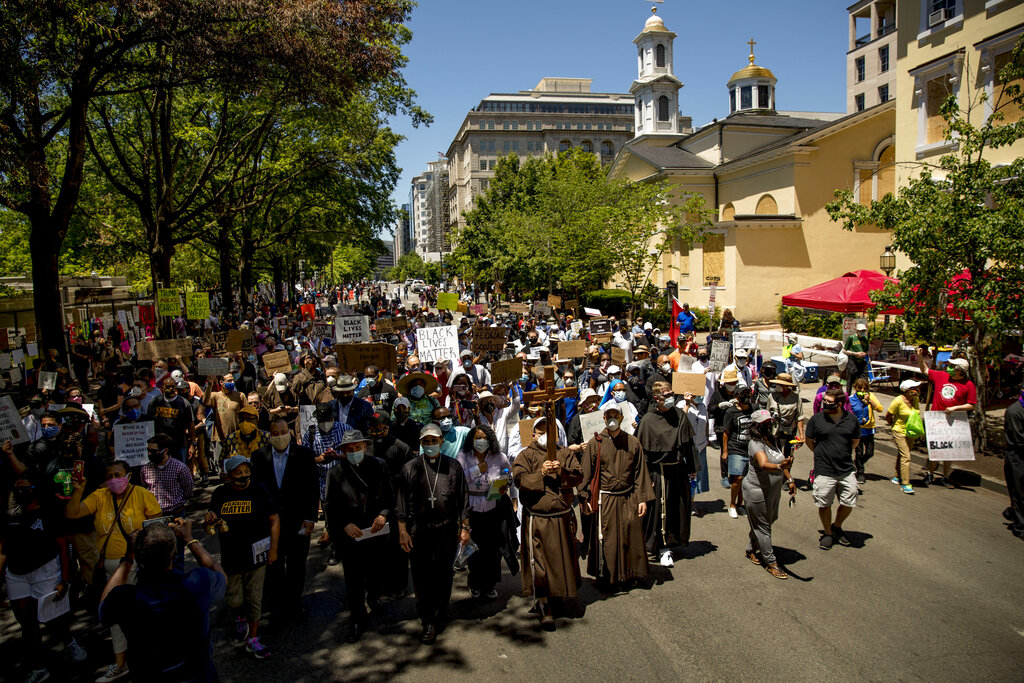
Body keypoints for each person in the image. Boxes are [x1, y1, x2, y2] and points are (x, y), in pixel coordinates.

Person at [66, 460, 162, 682]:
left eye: (118, 474)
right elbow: (72, 514)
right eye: (109, 476)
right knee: (115, 615)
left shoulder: (141, 494)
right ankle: (121, 664)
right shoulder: (99, 496)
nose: (113, 480)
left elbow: (157, 525)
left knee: (141, 613)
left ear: (128, 476)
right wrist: (78, 491)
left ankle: (147, 660)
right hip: (110, 568)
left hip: (139, 565)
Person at [98, 520, 226, 683]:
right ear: (173, 553)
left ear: (139, 555)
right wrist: (190, 540)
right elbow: (219, 572)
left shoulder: (127, 599)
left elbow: (103, 606)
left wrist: (127, 557)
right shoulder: (197, 584)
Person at [0, 471, 87, 683]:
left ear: (35, 489)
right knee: (27, 623)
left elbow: (63, 546)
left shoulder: (49, 513)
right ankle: (39, 667)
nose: (20, 492)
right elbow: (3, 549)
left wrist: (65, 579)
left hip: (46, 571)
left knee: (52, 617)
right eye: (17, 488)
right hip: (17, 575)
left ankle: (67, 640)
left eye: (25, 488)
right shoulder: (11, 515)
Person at [395, 424, 471, 644]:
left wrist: (465, 528)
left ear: (441, 442)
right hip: (419, 531)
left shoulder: (454, 466)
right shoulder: (410, 467)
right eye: (425, 442)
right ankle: (427, 620)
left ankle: (442, 606)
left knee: (444, 574)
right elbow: (400, 503)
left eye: (433, 441)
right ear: (421, 443)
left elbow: (463, 500)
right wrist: (402, 531)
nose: (429, 445)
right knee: (421, 577)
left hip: (446, 529)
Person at [206, 455, 279, 660]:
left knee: (255, 598)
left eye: (246, 472)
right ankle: (239, 617)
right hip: (231, 559)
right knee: (235, 598)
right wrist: (208, 521)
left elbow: (274, 519)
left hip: (257, 557)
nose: (243, 476)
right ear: (228, 475)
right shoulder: (220, 494)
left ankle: (253, 639)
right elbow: (210, 527)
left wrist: (273, 549)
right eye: (238, 473)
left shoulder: (259, 490)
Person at [513, 419, 583, 630]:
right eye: (540, 431)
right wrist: (541, 473)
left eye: (548, 431)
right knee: (540, 562)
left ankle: (560, 596)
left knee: (561, 559)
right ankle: (544, 603)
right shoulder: (525, 455)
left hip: (561, 516)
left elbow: (577, 476)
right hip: (538, 519)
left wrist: (562, 471)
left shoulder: (565, 453)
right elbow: (520, 480)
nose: (544, 434)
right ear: (533, 434)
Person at [325, 430, 393, 642]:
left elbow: (390, 494)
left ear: (365, 446)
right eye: (349, 449)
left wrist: (383, 515)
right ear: (343, 451)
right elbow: (330, 506)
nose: (354, 452)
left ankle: (373, 598)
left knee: (375, 569)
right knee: (353, 578)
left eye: (357, 447)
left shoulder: (378, 465)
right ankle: (357, 618)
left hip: (374, 528)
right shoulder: (335, 473)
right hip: (351, 531)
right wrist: (344, 524)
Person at [579, 403, 654, 590]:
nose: (612, 419)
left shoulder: (633, 442)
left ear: (621, 418)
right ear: (603, 418)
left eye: (616, 415)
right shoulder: (595, 444)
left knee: (631, 536)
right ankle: (608, 577)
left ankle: (630, 574)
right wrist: (585, 496)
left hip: (628, 497)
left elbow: (639, 472)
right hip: (606, 499)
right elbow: (586, 473)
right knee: (608, 539)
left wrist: (641, 498)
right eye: (608, 415)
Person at [250, 417, 319, 619]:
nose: (280, 437)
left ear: (289, 433)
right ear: (269, 435)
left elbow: (312, 488)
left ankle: (294, 602)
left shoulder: (304, 455)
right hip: (270, 523)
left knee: (297, 565)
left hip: (297, 520)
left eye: (283, 432)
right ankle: (276, 604)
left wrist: (310, 518)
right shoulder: (258, 457)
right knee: (274, 565)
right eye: (275, 433)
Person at [637, 381, 697, 568]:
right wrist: (645, 480)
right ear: (657, 398)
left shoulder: (679, 415)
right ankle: (660, 547)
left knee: (676, 508)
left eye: (672, 393)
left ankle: (672, 543)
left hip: (677, 470)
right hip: (658, 473)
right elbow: (642, 455)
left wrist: (693, 467)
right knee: (658, 512)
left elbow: (688, 444)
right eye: (667, 395)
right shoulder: (647, 420)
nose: (671, 397)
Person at [456, 425, 512, 600]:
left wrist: (504, 483)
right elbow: (457, 479)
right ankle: (475, 583)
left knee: (491, 549)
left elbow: (508, 474)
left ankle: (490, 584)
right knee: (474, 549)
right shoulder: (463, 456)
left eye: (484, 438)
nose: (481, 442)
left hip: (492, 507)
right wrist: (476, 470)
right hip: (471, 508)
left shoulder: (499, 457)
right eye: (477, 438)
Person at [742, 410, 796, 579]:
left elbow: (781, 462)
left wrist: (790, 479)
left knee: (769, 520)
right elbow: (764, 464)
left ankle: (751, 548)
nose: (768, 426)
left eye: (769, 422)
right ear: (756, 426)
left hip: (773, 490)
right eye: (764, 423)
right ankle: (771, 562)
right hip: (756, 491)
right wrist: (780, 467)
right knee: (764, 527)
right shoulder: (755, 444)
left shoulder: (771, 440)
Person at [805, 387, 860, 550]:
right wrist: (821, 454)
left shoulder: (851, 420)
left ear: (840, 403)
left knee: (849, 500)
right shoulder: (816, 420)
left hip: (846, 469)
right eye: (824, 401)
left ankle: (837, 525)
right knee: (824, 502)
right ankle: (828, 533)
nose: (824, 404)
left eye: (828, 402)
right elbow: (809, 441)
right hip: (824, 469)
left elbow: (854, 442)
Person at [918, 354, 977, 487]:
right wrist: (920, 357)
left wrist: (956, 408)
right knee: (934, 449)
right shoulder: (942, 376)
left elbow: (972, 404)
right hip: (936, 419)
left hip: (953, 421)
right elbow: (925, 370)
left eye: (952, 366)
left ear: (960, 370)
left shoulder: (968, 385)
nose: (948, 368)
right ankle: (930, 473)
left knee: (948, 451)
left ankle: (945, 476)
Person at [722, 386, 755, 518]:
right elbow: (726, 433)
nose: (746, 396)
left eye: (748, 393)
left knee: (746, 480)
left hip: (751, 449)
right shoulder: (731, 412)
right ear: (737, 397)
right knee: (738, 478)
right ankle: (732, 504)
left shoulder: (754, 409)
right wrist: (725, 451)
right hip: (736, 448)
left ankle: (741, 504)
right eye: (743, 394)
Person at [885, 379, 923, 494]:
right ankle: (905, 483)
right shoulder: (897, 401)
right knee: (906, 456)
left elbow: (915, 412)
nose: (916, 391)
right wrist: (893, 426)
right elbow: (888, 415)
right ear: (906, 390)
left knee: (903, 454)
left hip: (910, 431)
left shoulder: (915, 400)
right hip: (899, 431)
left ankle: (897, 475)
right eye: (914, 389)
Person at [146, 376, 195, 462]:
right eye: (168, 387)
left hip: (178, 444)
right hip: (159, 444)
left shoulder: (184, 403)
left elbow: (190, 424)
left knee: (179, 469)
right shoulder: (155, 402)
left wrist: (192, 444)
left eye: (173, 386)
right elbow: (149, 423)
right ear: (163, 388)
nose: (171, 389)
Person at [849, 377, 884, 484]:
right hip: (858, 430)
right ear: (855, 388)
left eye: (865, 388)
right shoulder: (851, 399)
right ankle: (860, 473)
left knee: (869, 452)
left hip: (869, 429)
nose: (863, 391)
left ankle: (857, 463)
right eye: (860, 388)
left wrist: (869, 401)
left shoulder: (870, 397)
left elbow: (880, 409)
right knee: (859, 452)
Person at [767, 373, 805, 459]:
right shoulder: (772, 396)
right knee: (776, 455)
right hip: (775, 430)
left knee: (789, 455)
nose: (778, 386)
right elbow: (767, 414)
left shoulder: (796, 397)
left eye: (781, 384)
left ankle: (787, 471)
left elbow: (799, 417)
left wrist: (801, 434)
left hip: (790, 430)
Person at [1004, 385, 1024, 540]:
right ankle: (1019, 525)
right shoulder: (1014, 411)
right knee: (1018, 492)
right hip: (1017, 457)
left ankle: (1013, 513)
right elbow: (1018, 439)